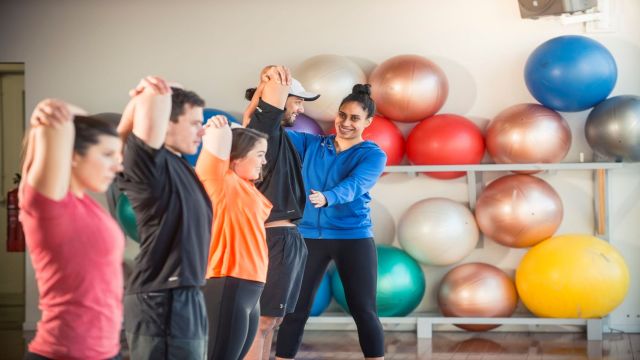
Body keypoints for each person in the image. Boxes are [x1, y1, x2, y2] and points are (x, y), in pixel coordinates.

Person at [275, 84, 387, 360]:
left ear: (368, 122)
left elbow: (356, 184)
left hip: (353, 237)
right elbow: (274, 136)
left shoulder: (372, 155)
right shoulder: (311, 144)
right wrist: (268, 101)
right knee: (295, 310)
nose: (346, 123)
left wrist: (329, 197)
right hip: (309, 236)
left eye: (354, 118)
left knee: (363, 309)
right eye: (342, 115)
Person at [19, 99, 125, 359]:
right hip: (68, 353)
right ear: (73, 155)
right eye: (108, 155)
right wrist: (48, 109)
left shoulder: (84, 203)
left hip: (106, 351)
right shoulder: (50, 205)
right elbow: (61, 124)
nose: (118, 166)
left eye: (119, 156)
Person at [117, 77, 212, 358]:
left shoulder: (179, 164)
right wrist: (148, 97)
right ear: (166, 124)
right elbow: (137, 135)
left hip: (186, 293)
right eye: (194, 123)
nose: (202, 131)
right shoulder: (149, 166)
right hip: (162, 297)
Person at [242, 65, 320, 360]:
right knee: (261, 321)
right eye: (296, 100)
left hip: (286, 237)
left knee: (272, 321)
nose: (300, 108)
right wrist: (272, 77)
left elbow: (250, 115)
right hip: (273, 237)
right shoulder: (266, 131)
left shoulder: (273, 135)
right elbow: (259, 114)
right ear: (281, 98)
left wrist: (263, 89)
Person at [195, 116, 272, 360]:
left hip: (251, 286)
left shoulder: (246, 186)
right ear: (236, 157)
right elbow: (216, 144)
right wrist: (220, 126)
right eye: (259, 154)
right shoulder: (219, 180)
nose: (265, 161)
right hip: (228, 281)